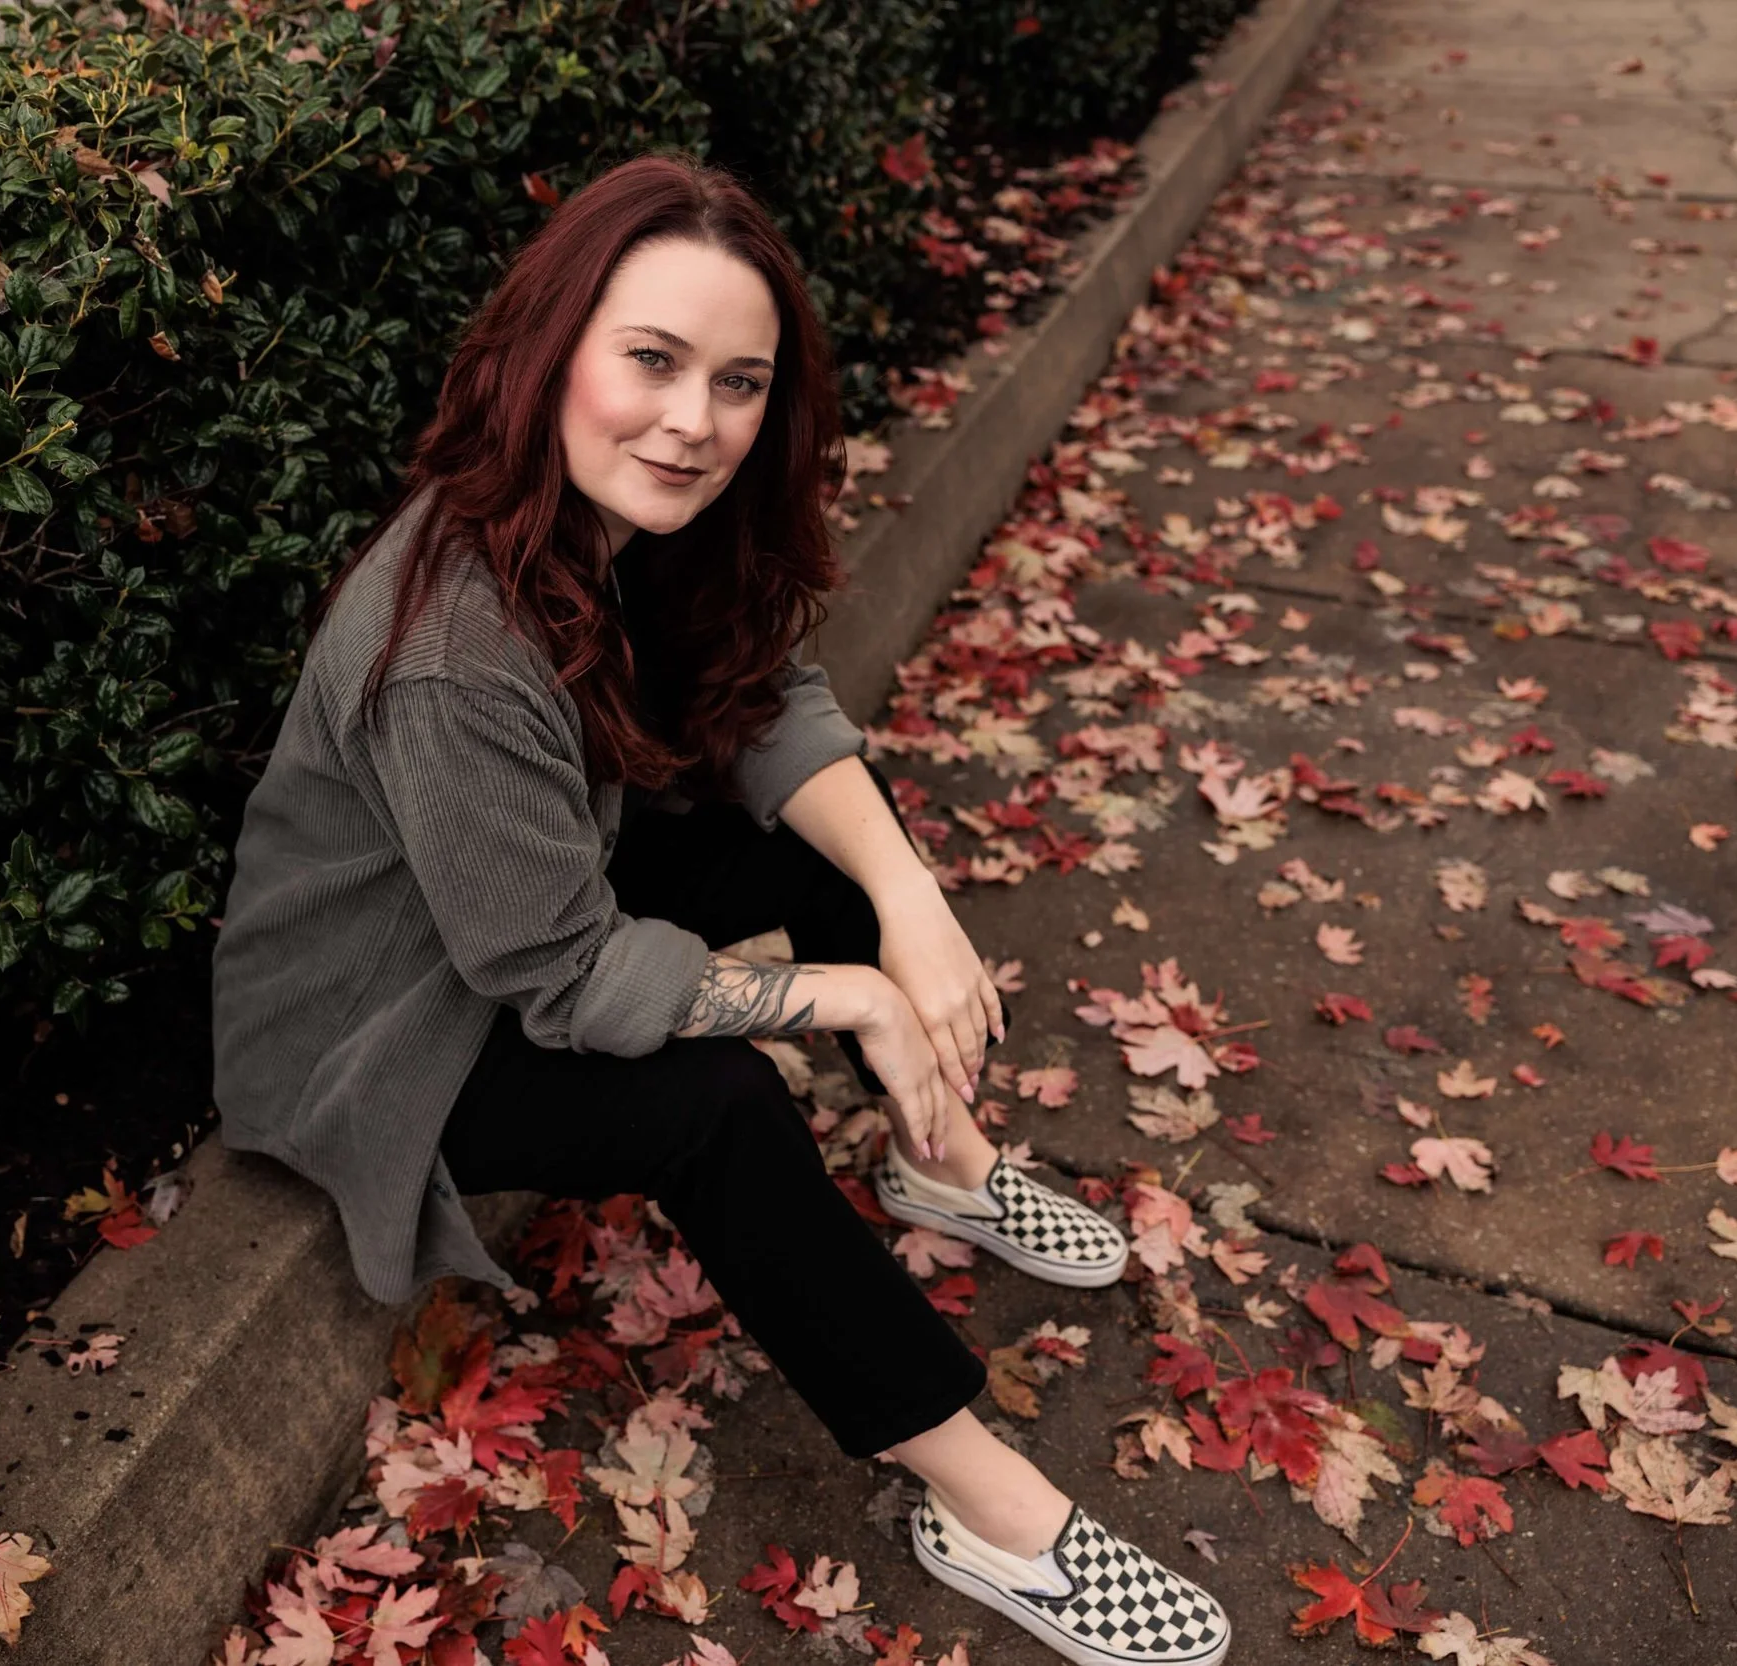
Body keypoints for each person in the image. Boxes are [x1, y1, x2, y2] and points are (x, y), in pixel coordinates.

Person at [210, 151, 1230, 1666]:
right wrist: (860, 994)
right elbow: (563, 978)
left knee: (822, 849)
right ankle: (989, 1504)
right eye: (652, 360)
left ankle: (946, 1161)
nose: (694, 420)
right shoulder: (449, 645)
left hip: (517, 912)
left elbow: (763, 694)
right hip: (385, 1031)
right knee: (717, 1107)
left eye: (738, 382)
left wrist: (907, 898)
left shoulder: (631, 519)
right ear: (551, 349)